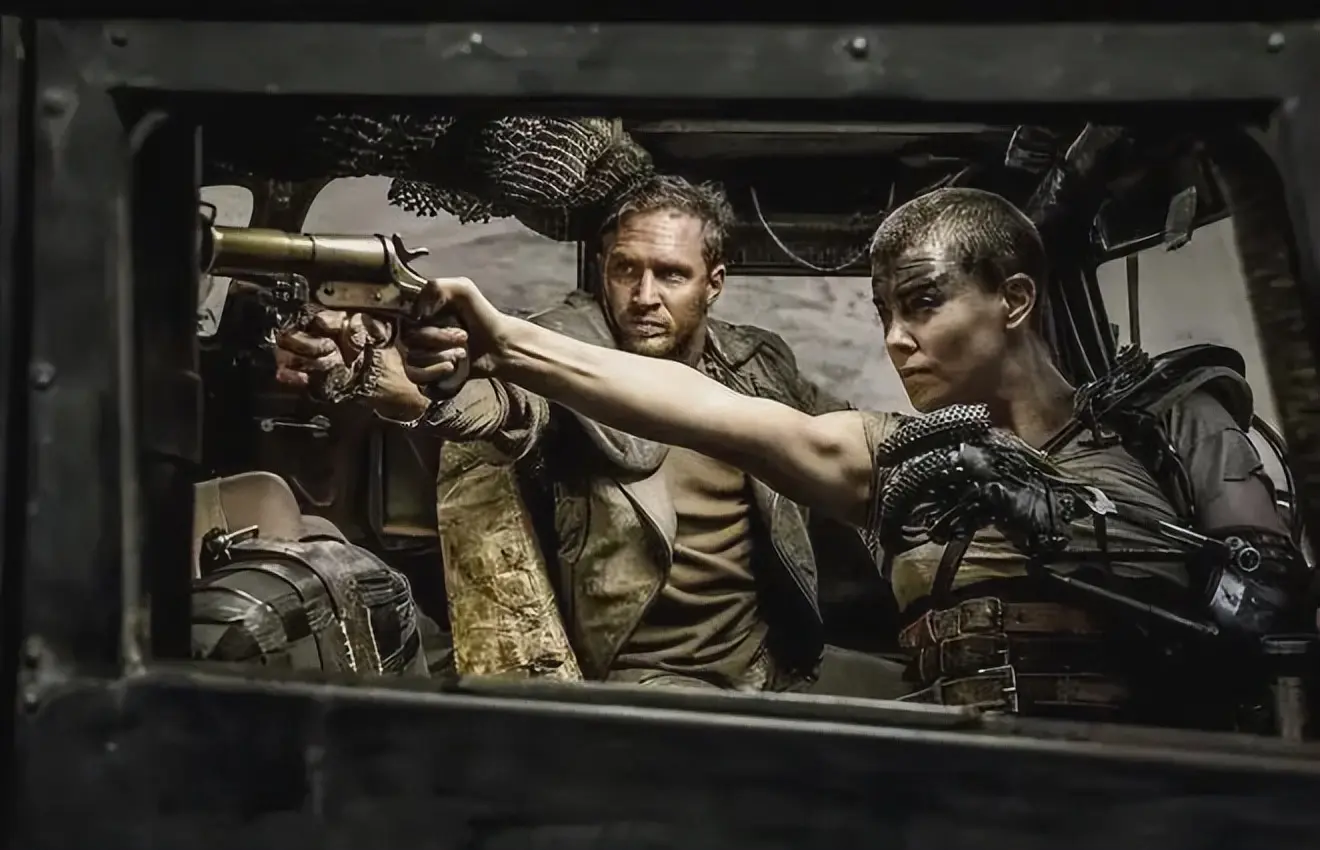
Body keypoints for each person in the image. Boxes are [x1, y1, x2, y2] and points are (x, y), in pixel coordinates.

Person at [400, 187, 1308, 724]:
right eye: (884, 314)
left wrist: (1063, 518)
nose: (896, 340)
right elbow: (709, 409)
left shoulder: (1166, 425)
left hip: (1157, 781)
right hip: (971, 779)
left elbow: (1268, 616)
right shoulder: (909, 458)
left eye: (922, 305)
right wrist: (505, 343)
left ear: (1015, 300)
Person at [276, 175, 902, 696]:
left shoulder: (757, 363)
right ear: (604, 267)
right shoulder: (564, 355)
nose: (644, 296)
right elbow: (495, 402)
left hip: (774, 664)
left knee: (926, 703)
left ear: (713, 282)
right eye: (626, 270)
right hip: (648, 679)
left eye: (671, 275)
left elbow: (857, 445)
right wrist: (378, 373)